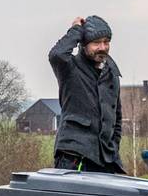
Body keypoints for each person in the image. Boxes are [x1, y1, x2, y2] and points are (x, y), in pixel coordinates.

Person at [48, 15, 125, 173]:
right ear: (84, 45)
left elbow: (116, 119)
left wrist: (114, 147)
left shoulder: (112, 73)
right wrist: (76, 30)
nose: (102, 47)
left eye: (106, 42)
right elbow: (57, 55)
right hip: (74, 157)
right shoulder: (70, 68)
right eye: (96, 43)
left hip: (107, 159)